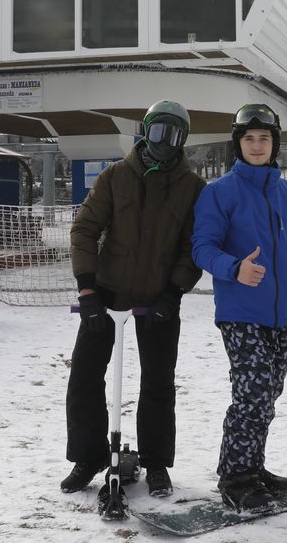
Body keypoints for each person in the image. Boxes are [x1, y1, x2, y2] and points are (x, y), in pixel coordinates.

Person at [62, 100, 205, 499]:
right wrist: (88, 291)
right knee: (85, 376)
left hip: (158, 298)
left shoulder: (192, 188)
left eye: (173, 134)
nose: (164, 141)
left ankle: (156, 461)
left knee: (158, 382)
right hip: (107, 293)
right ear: (145, 131)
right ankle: (89, 455)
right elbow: (84, 230)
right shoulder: (116, 177)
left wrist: (174, 292)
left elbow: (192, 245)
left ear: (182, 140)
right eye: (158, 131)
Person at [191, 104, 287, 512]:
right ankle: (235, 475)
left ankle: (253, 465)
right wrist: (234, 268)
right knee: (251, 394)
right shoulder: (219, 192)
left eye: (263, 138)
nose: (256, 145)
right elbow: (202, 248)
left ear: (275, 143)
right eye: (248, 138)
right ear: (237, 143)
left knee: (268, 394)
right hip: (240, 312)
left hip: (280, 314)